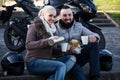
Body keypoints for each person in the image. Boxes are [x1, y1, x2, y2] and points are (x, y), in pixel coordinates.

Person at [25, 5, 76, 80]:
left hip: (47, 61)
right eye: (50, 16)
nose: (52, 18)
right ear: (43, 15)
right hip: (34, 62)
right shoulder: (34, 26)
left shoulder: (52, 29)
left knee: (72, 58)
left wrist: (65, 50)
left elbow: (52, 51)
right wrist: (48, 41)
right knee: (61, 66)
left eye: (54, 16)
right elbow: (28, 45)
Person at [55, 5, 100, 80]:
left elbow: (95, 34)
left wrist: (94, 37)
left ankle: (95, 76)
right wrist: (65, 46)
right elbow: (53, 44)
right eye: (64, 15)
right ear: (60, 16)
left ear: (72, 15)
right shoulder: (55, 28)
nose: (68, 18)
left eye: (69, 15)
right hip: (65, 59)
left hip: (78, 55)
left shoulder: (78, 26)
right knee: (79, 74)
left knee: (94, 44)